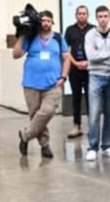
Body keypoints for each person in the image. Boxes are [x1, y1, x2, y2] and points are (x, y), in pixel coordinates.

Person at [12, 9, 70, 159]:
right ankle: (45, 145)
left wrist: (63, 77)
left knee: (47, 111)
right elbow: (16, 54)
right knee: (35, 115)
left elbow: (67, 58)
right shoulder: (31, 36)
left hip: (53, 83)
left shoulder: (58, 38)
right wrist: (22, 33)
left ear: (52, 23)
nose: (46, 23)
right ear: (39, 22)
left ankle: (25, 136)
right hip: (31, 83)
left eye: (49, 21)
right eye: (43, 20)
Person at [85, 5, 110, 160]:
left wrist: (106, 55)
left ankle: (107, 145)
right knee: (94, 114)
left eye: (105, 16)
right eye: (100, 16)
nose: (102, 19)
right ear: (96, 18)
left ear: (109, 17)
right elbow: (91, 56)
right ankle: (92, 147)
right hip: (95, 76)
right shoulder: (90, 35)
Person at [64, 5, 94, 140]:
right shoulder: (70, 30)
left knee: (90, 98)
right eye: (79, 14)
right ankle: (77, 125)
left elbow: (98, 48)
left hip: (90, 68)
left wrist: (88, 62)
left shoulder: (93, 30)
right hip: (75, 69)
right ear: (76, 15)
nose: (82, 16)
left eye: (84, 14)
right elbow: (66, 51)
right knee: (76, 97)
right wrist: (75, 63)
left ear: (88, 15)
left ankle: (92, 126)